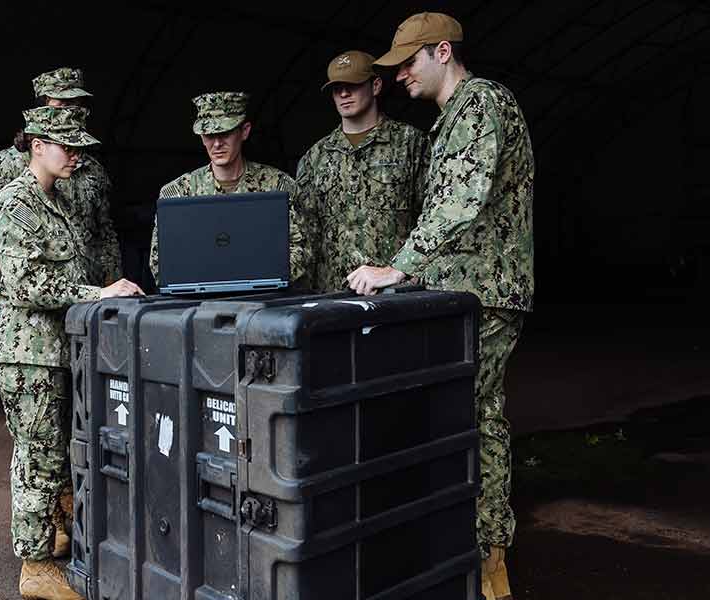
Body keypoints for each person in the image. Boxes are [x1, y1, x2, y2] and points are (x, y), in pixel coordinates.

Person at [354, 12, 535, 600]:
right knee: (467, 417)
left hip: (485, 291)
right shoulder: (451, 117)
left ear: (442, 52)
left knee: (469, 418)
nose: (400, 75)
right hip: (459, 293)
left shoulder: (481, 103)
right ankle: (468, 552)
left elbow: (462, 199)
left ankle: (485, 559)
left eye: (409, 62)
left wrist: (400, 267)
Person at [0, 105, 143, 600]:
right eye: (66, 145)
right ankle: (34, 567)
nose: (76, 155)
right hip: (27, 353)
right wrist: (99, 294)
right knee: (37, 457)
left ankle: (51, 540)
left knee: (55, 454)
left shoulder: (55, 201)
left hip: (54, 350)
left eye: (78, 146)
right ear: (37, 145)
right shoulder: (16, 203)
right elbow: (27, 283)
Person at [0, 68, 119, 328]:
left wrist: (111, 282)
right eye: (62, 103)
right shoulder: (5, 167)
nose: (71, 110)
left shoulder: (92, 169)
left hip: (84, 296)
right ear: (42, 107)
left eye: (77, 104)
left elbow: (104, 232)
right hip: (29, 305)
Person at [295, 50, 427, 292]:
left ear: (375, 86)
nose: (344, 94)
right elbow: (306, 237)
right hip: (334, 296)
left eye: (353, 85)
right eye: (337, 88)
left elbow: (430, 219)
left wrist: (412, 275)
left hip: (396, 294)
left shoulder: (411, 144)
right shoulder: (315, 158)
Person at [148, 92, 311, 286]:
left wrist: (253, 281)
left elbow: (301, 251)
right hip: (199, 301)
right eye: (209, 135)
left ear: (244, 131)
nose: (217, 144)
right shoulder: (177, 193)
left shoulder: (279, 186)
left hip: (263, 299)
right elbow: (161, 263)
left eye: (225, 133)